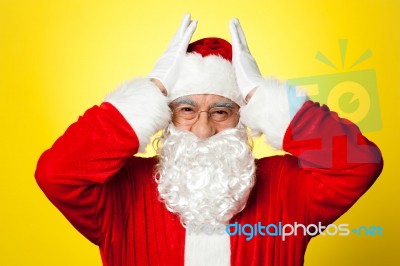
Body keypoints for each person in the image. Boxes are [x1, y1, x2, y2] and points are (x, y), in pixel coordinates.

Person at [35, 14, 383, 266]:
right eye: (186, 109)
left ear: (241, 117)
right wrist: (152, 89)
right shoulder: (121, 194)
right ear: (166, 116)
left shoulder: (287, 188)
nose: (203, 130)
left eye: (220, 112)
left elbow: (360, 162)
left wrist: (263, 94)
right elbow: (56, 173)